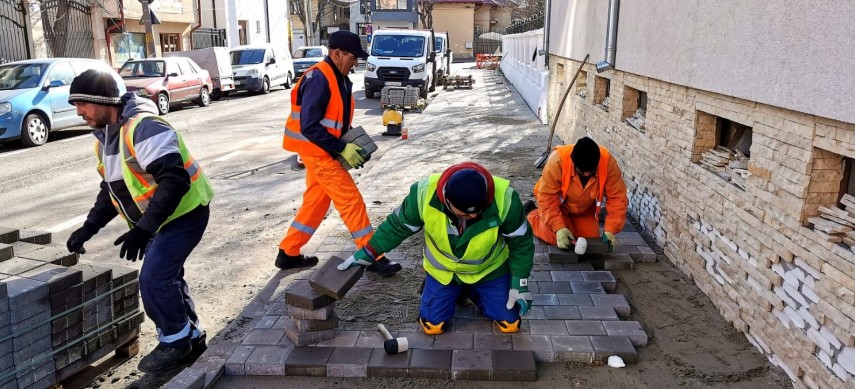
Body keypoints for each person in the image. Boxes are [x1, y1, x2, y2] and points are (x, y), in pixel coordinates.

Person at [64, 69, 213, 373]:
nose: (79, 112)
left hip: (185, 213)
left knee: (154, 279)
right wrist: (88, 228)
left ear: (104, 101)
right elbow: (111, 191)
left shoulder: (144, 128)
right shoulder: (104, 139)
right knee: (167, 278)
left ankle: (175, 342)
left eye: (82, 104)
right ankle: (191, 336)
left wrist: (144, 229)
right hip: (163, 219)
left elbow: (174, 180)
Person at [338, 162, 534, 334]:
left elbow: (521, 243)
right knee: (432, 328)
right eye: (465, 214)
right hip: (443, 273)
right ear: (446, 201)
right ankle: (447, 290)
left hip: (488, 272)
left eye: (477, 212)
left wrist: (520, 283)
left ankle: (470, 291)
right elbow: (397, 227)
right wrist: (367, 253)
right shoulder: (423, 195)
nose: (473, 217)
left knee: (511, 324)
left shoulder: (505, 199)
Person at [279, 30, 400, 276]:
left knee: (315, 204)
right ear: (337, 54)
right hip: (319, 153)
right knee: (350, 200)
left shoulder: (339, 76)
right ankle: (371, 255)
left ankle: (288, 253)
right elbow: (309, 126)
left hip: (324, 151)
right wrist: (342, 147)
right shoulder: (319, 79)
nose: (356, 62)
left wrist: (349, 142)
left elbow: (335, 119)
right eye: (353, 57)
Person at [526, 136, 628, 252]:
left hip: (583, 208)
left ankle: (570, 224)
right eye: (582, 171)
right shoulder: (557, 161)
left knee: (590, 240)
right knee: (561, 239)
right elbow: (547, 198)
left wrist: (611, 230)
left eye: (591, 171)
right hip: (557, 206)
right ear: (573, 162)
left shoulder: (608, 163)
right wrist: (559, 228)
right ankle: (531, 214)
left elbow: (618, 198)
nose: (586, 174)